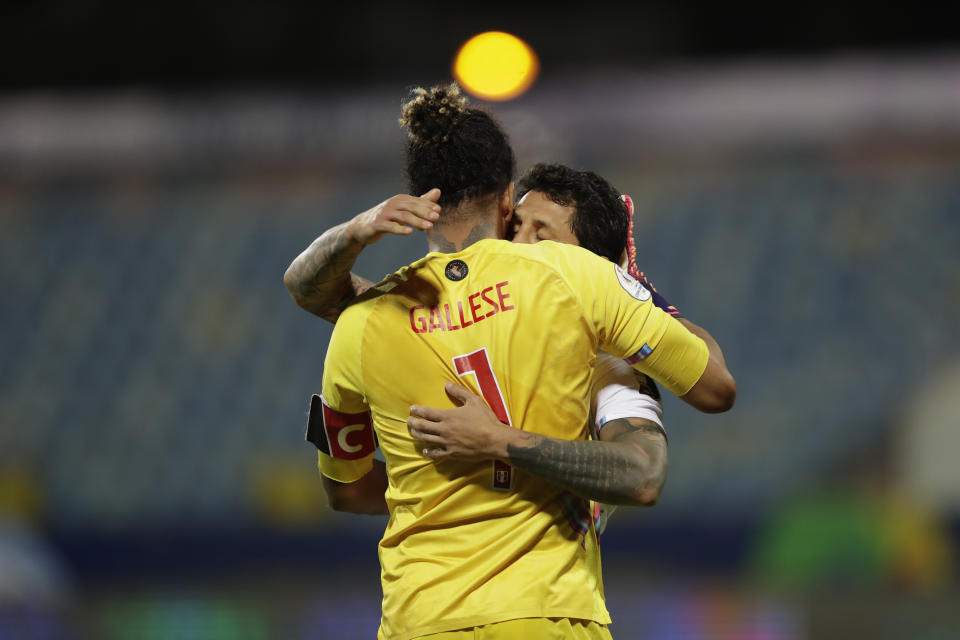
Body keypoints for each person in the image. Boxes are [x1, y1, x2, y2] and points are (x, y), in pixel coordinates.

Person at [293, 83, 735, 639]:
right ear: (506, 198)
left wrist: (441, 478)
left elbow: (347, 489)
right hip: (545, 615)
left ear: (424, 199)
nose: (523, 237)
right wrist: (637, 293)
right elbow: (699, 407)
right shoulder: (577, 283)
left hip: (417, 620)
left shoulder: (365, 321)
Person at [287, 165, 732, 530]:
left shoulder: (606, 365)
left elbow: (652, 463)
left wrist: (634, 293)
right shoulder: (443, 313)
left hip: (546, 600)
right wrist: (353, 231)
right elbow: (311, 291)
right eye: (515, 226)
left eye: (541, 236)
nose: (518, 245)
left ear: (589, 268)